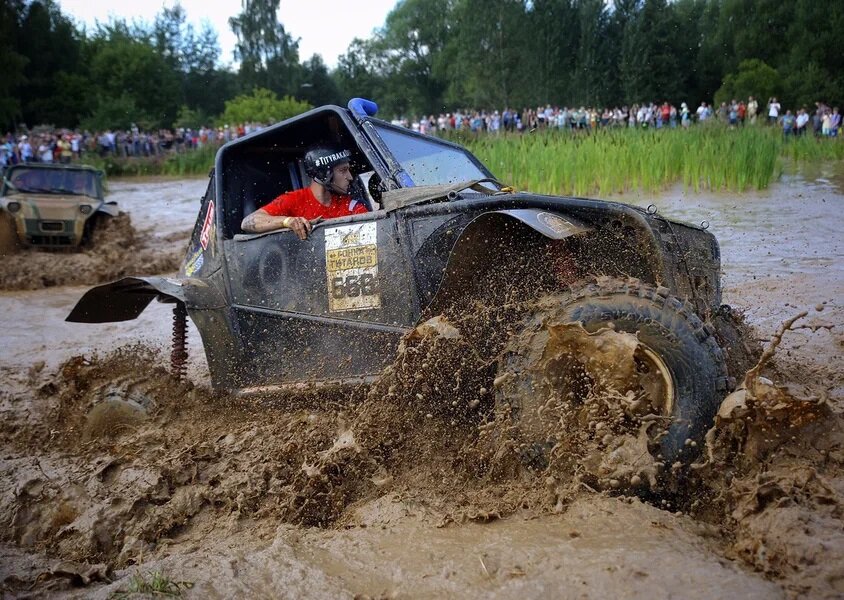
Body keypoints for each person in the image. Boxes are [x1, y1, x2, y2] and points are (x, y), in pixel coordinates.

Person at [240, 146, 367, 240]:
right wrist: (287, 222)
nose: (350, 177)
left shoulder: (352, 206)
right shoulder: (293, 200)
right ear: (323, 174)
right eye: (343, 170)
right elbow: (247, 222)